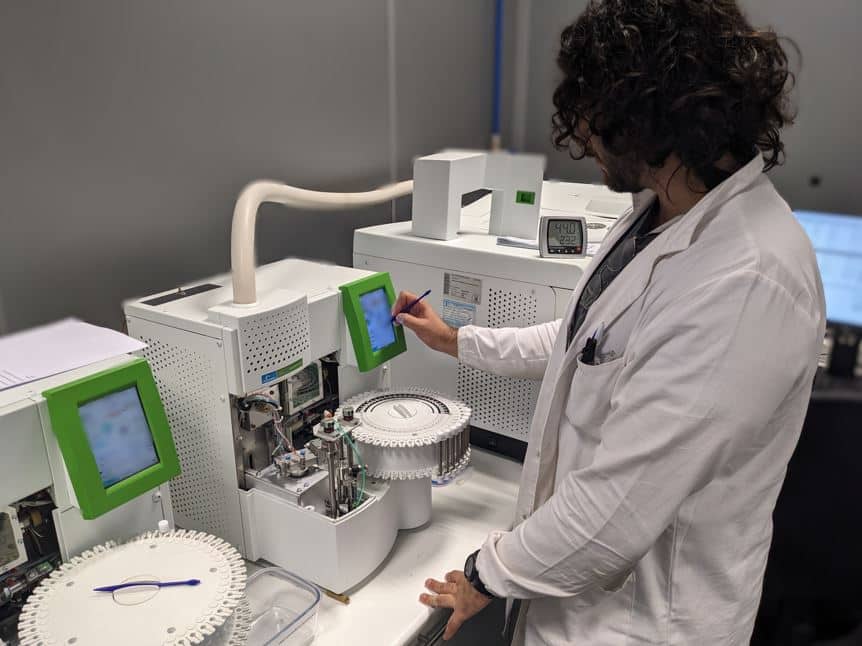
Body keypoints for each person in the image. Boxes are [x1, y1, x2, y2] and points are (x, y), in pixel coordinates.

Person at [398, 1, 825, 644]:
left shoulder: (746, 279)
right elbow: (588, 342)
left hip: (639, 624)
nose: (586, 138)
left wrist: (485, 573)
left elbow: (613, 515)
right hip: (573, 596)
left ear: (646, 118)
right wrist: (457, 339)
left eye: (595, 117)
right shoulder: (664, 211)